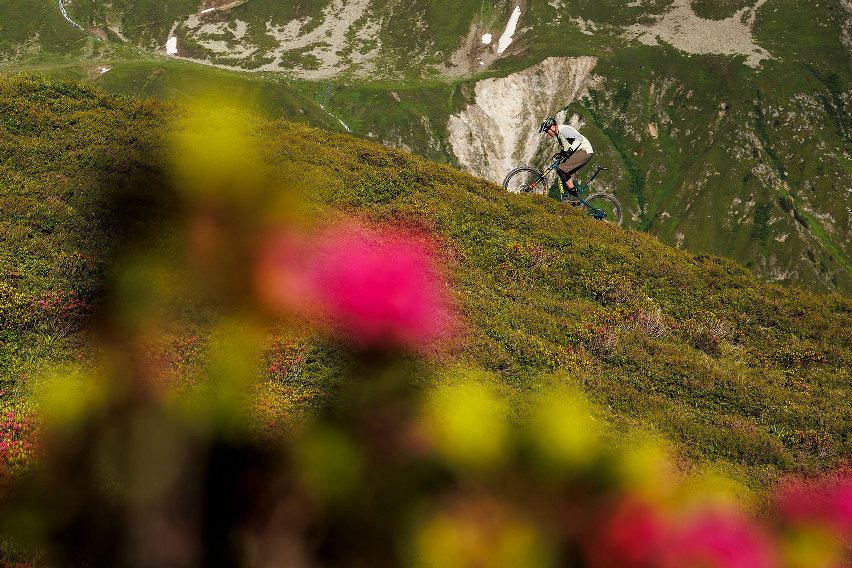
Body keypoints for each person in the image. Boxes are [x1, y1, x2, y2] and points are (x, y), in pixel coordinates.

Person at [539, 117, 594, 197]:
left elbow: (579, 138)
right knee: (566, 181)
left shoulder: (563, 130)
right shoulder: (558, 134)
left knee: (562, 169)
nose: (547, 133)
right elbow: (567, 146)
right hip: (580, 152)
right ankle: (575, 202)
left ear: (553, 127)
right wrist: (562, 153)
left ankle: (575, 197)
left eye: (547, 130)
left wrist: (570, 150)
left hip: (584, 151)